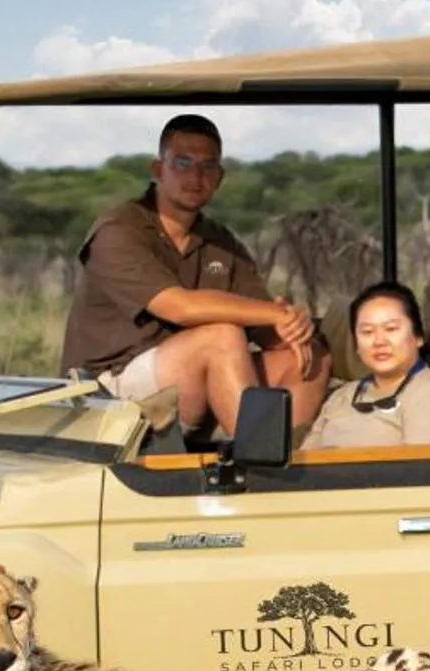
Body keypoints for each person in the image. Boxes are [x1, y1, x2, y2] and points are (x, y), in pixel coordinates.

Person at [61, 112, 330, 438]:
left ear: (220, 176)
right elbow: (179, 308)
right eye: (183, 163)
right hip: (107, 387)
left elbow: (264, 327)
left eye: (208, 166)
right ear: (158, 169)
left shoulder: (220, 241)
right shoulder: (119, 228)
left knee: (309, 353)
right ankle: (261, 463)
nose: (196, 176)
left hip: (188, 377)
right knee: (221, 337)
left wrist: (293, 326)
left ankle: (288, 453)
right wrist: (274, 313)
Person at [303, 282, 430, 449]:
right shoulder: (341, 397)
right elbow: (303, 459)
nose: (379, 341)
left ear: (418, 337)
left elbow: (422, 473)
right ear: (357, 345)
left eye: (391, 329)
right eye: (367, 332)